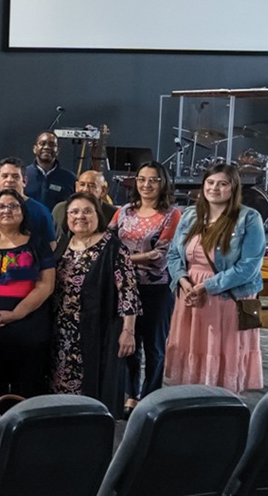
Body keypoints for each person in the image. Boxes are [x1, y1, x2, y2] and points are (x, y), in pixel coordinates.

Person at [165, 164, 265, 392]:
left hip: (227, 297)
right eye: (210, 183)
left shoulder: (249, 218)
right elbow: (173, 255)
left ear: (233, 188)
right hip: (190, 296)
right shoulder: (190, 215)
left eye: (222, 184)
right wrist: (182, 281)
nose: (215, 188)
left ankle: (220, 404)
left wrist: (207, 286)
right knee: (193, 350)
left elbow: (249, 267)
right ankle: (191, 402)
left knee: (221, 353)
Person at [0, 188, 56, 434]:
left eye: (13, 206)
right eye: (1, 207)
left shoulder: (37, 243)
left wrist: (16, 314)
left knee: (27, 385)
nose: (7, 211)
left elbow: (46, 285)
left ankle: (26, 438)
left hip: (29, 328)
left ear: (23, 212)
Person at [51, 193, 140, 417]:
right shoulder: (64, 243)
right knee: (61, 384)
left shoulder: (113, 247)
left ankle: (92, 429)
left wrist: (128, 331)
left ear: (97, 215)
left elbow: (128, 292)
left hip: (99, 328)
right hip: (62, 332)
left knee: (96, 384)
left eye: (87, 211)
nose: (80, 216)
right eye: (74, 212)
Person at [111, 161, 181, 412]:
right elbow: (107, 244)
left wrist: (120, 260)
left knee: (153, 345)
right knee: (129, 342)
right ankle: (131, 393)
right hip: (124, 287)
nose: (146, 185)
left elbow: (159, 256)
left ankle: (151, 396)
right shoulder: (124, 211)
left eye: (153, 180)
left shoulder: (172, 214)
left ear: (163, 183)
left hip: (157, 288)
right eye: (142, 179)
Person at [0, 157, 57, 247]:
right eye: (5, 176)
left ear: (24, 181)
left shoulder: (41, 212)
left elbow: (51, 245)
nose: (10, 180)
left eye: (15, 177)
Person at [53, 170, 119, 242]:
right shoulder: (60, 209)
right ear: (76, 187)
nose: (85, 189)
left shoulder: (114, 214)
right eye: (82, 184)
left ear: (103, 191)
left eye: (92, 186)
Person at [26, 131, 77, 211]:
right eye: (42, 143)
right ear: (35, 149)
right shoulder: (23, 175)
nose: (47, 147)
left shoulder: (70, 178)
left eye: (52, 144)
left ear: (58, 150)